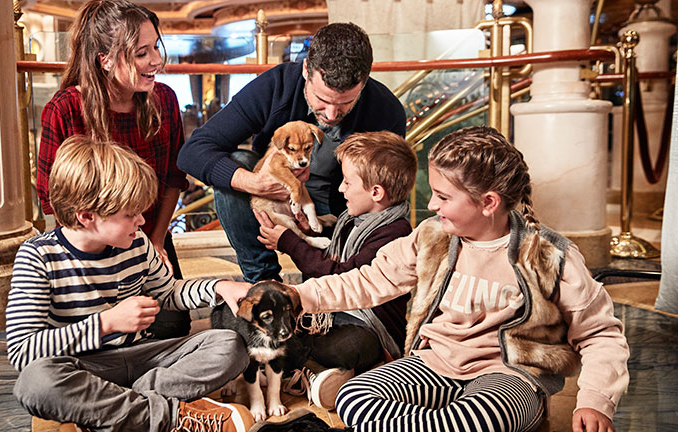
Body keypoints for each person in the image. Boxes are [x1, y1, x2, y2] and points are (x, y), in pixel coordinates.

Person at [254, 126, 630, 432]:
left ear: (488, 203)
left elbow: (600, 333)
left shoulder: (550, 255)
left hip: (508, 375)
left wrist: (596, 400)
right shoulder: (432, 237)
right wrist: (296, 295)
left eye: (442, 196)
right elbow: (367, 281)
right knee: (355, 397)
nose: (431, 206)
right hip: (434, 364)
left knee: (479, 418)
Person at [8, 137, 255, 432]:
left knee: (229, 345)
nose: (140, 220)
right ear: (87, 216)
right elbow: (23, 351)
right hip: (81, 367)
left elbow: (169, 293)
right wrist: (106, 323)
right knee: (35, 383)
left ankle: (108, 411)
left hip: (143, 358)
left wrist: (219, 287)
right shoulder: (37, 256)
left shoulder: (137, 243)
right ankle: (173, 417)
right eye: (130, 214)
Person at [177, 22, 407, 284]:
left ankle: (327, 276)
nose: (331, 115)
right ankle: (263, 282)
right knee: (236, 163)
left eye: (345, 103)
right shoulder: (276, 86)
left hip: (343, 211)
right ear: (306, 70)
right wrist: (255, 183)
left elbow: (387, 199)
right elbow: (193, 152)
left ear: (364, 82)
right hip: (272, 205)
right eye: (322, 100)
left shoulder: (386, 111)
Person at [37, 0, 191, 339]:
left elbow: (172, 180)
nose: (156, 61)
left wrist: (156, 242)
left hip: (149, 239)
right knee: (99, 339)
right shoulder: (64, 110)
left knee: (172, 330)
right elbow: (53, 201)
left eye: (155, 48)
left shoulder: (164, 100)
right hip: (88, 249)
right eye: (141, 53)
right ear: (105, 60)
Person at [253, 131, 417, 410]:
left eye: (348, 182)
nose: (341, 188)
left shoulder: (395, 233)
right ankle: (326, 374)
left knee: (348, 345)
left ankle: (308, 369)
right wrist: (307, 231)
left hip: (370, 325)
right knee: (276, 326)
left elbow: (340, 274)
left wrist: (290, 242)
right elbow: (336, 249)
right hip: (333, 315)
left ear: (376, 193)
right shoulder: (354, 218)